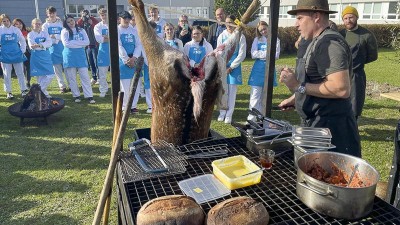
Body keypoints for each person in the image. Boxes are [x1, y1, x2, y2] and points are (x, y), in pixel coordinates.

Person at [278, 0, 361, 157]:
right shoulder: (316, 41)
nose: (296, 24)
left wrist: (297, 86)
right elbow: (318, 80)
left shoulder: (330, 43)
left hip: (333, 131)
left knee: (331, 179)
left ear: (316, 16)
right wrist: (297, 98)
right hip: (317, 126)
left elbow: (340, 88)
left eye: (300, 18)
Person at [340, 6, 378, 119]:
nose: (348, 20)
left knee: (355, 105)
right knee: (338, 102)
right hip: (339, 74)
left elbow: (373, 56)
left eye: (351, 17)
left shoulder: (367, 35)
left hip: (357, 76)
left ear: (356, 17)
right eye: (345, 18)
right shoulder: (339, 34)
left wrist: (357, 62)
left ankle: (353, 127)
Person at [247, 21, 281, 122]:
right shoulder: (257, 39)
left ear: (268, 27)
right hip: (258, 69)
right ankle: (251, 118)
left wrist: (261, 53)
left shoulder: (276, 40)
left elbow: (276, 55)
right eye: (260, 30)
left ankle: (262, 118)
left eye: (264, 29)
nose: (263, 31)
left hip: (269, 68)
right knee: (255, 94)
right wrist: (267, 53)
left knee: (265, 96)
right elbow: (253, 54)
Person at [216, 15, 246, 124]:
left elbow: (242, 54)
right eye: (227, 22)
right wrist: (223, 66)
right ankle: (222, 113)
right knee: (223, 91)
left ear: (235, 23)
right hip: (223, 66)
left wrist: (232, 66)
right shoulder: (221, 36)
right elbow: (218, 51)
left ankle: (229, 114)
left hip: (234, 68)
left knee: (232, 92)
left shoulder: (241, 36)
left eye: (231, 22)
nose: (229, 25)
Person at [61, 15, 95, 104]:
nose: (71, 23)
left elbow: (87, 42)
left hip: (81, 56)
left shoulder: (81, 30)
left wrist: (73, 42)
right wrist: (80, 43)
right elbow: (66, 44)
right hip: (69, 56)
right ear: (65, 23)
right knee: (72, 77)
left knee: (85, 76)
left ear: (74, 20)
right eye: (68, 22)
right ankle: (76, 95)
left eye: (71, 20)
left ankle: (89, 96)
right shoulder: (64, 31)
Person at [117, 11, 142, 112]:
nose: (127, 20)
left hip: (134, 60)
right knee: (125, 86)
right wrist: (126, 59)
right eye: (124, 18)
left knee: (136, 84)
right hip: (123, 61)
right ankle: (125, 107)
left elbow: (138, 45)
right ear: (119, 19)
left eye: (128, 18)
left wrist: (134, 57)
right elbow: (119, 45)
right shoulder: (117, 30)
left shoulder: (133, 31)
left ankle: (133, 106)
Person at [0, 14, 28, 99]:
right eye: (4, 21)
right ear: (1, 22)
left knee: (20, 73)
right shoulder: (0, 30)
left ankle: (23, 90)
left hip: (16, 54)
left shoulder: (15, 29)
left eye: (7, 20)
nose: (6, 22)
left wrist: (22, 50)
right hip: (5, 55)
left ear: (9, 20)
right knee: (6, 74)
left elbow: (22, 40)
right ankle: (9, 92)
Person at [42, 6, 69, 93]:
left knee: (67, 68)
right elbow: (45, 37)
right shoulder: (45, 25)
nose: (52, 14)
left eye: (53, 13)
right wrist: (56, 38)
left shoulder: (60, 23)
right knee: (57, 69)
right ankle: (62, 86)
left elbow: (65, 35)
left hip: (63, 47)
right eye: (50, 13)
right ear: (47, 14)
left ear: (56, 13)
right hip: (52, 49)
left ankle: (71, 85)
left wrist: (55, 36)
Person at [27, 18, 54, 98]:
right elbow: (32, 46)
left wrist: (39, 45)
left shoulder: (45, 33)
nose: (38, 25)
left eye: (39, 23)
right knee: (39, 76)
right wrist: (43, 45)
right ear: (33, 25)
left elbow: (50, 43)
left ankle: (37, 91)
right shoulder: (30, 34)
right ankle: (43, 93)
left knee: (50, 74)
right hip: (36, 57)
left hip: (46, 56)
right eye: (36, 23)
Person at [77, 9, 99, 85]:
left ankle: (99, 77)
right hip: (87, 46)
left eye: (86, 14)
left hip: (95, 44)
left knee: (96, 61)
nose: (85, 16)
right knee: (91, 62)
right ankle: (94, 77)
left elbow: (97, 28)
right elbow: (77, 26)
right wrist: (82, 18)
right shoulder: (81, 21)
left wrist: (92, 23)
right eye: (83, 14)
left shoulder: (93, 19)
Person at [94, 8, 110, 97]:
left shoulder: (115, 25)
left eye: (105, 14)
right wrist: (108, 38)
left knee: (117, 72)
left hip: (115, 50)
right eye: (102, 15)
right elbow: (99, 39)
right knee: (102, 73)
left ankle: (119, 88)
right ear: (100, 16)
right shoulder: (97, 26)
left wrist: (105, 37)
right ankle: (103, 90)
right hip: (103, 52)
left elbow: (117, 38)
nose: (104, 17)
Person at [13, 18, 31, 88]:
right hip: (17, 52)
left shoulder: (27, 31)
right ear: (14, 25)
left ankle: (28, 81)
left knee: (28, 67)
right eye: (17, 24)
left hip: (27, 52)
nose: (19, 25)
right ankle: (22, 82)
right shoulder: (13, 33)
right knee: (20, 68)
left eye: (20, 23)